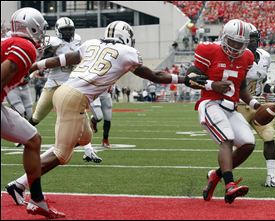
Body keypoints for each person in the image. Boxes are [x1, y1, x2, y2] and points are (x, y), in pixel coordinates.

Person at [6, 20, 203, 205]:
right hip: (76, 98)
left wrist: (36, 65)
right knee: (62, 155)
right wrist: (184, 79)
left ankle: (25, 180)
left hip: (65, 92)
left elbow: (64, 59)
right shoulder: (127, 52)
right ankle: (19, 185)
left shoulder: (91, 43)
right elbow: (156, 75)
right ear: (126, 37)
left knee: (84, 138)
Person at [2, 7, 64, 218]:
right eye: (41, 28)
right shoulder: (23, 45)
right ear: (31, 27)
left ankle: (37, 201)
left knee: (33, 139)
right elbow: (7, 70)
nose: (43, 33)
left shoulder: (17, 44)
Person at [190, 19, 261, 204]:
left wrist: (254, 104)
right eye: (233, 41)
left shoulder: (247, 57)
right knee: (227, 138)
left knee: (248, 144)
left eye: (240, 42)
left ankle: (216, 175)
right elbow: (189, 77)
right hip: (210, 102)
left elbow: (242, 87)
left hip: (231, 107)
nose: (236, 46)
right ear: (224, 38)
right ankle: (229, 186)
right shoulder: (209, 50)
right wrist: (212, 84)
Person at [27, 16, 102, 163]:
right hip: (54, 83)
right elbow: (44, 61)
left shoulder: (78, 40)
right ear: (57, 31)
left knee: (80, 116)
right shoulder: (53, 43)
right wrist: (34, 69)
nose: (68, 33)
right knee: (37, 116)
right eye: (64, 30)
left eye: (70, 30)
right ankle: (21, 136)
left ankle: (88, 150)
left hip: (71, 85)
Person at [237, 23, 275, 188]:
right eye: (251, 38)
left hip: (259, 103)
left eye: (256, 38)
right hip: (239, 103)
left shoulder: (265, 56)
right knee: (236, 142)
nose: (254, 41)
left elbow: (261, 83)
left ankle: (271, 177)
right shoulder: (237, 57)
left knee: (269, 137)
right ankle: (223, 174)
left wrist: (274, 89)